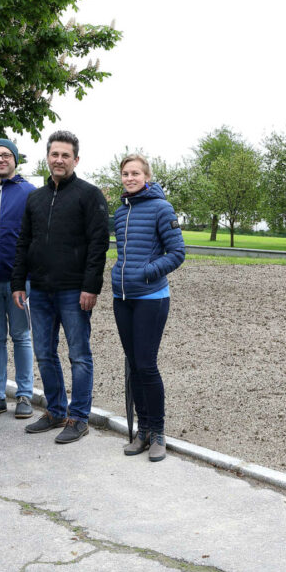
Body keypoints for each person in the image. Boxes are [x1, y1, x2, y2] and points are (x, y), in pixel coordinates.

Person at [11, 130, 109, 444]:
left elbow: (98, 244)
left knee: (79, 356)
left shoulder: (89, 195)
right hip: (39, 290)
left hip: (74, 291)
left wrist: (90, 286)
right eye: (55, 154)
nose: (59, 160)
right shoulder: (35, 198)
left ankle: (78, 418)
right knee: (44, 352)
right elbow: (24, 242)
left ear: (75, 160)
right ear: (48, 157)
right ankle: (55, 410)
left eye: (66, 155)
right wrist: (18, 282)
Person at [111, 155, 186, 462]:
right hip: (123, 298)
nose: (130, 178)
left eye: (135, 173)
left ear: (147, 176)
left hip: (151, 298)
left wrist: (147, 271)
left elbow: (178, 252)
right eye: (126, 174)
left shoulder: (161, 208)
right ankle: (142, 431)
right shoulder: (120, 212)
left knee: (146, 364)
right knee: (133, 364)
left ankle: (157, 432)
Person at [0, 139, 37, 421]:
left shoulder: (29, 193)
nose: (1, 159)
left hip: (19, 281)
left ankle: (25, 394)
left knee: (22, 336)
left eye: (6, 155)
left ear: (15, 159)